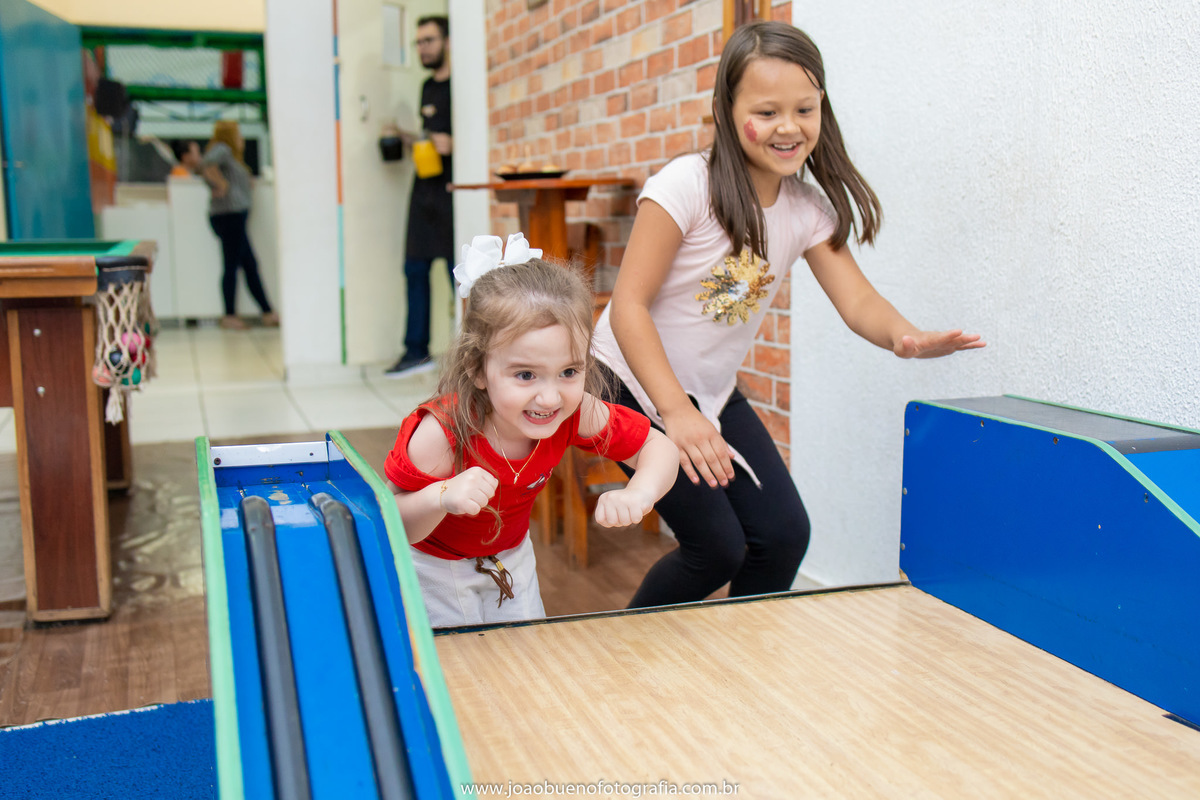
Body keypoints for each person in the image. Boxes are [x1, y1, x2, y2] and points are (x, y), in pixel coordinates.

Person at [592, 21, 986, 609]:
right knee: (717, 549)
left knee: (781, 536)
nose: (788, 127)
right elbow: (627, 306)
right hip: (628, 383)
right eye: (768, 110)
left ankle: (744, 663)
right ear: (728, 111)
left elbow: (858, 301)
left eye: (804, 109)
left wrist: (903, 337)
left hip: (709, 395)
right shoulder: (685, 187)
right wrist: (675, 413)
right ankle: (625, 656)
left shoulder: (805, 209)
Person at [384, 233, 679, 627]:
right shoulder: (441, 433)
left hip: (512, 559)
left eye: (570, 372)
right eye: (525, 375)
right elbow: (390, 523)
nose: (549, 397)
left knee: (524, 660)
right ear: (477, 369)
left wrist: (641, 492)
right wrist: (440, 497)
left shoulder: (572, 412)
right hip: (432, 570)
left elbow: (658, 448)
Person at [385, 14, 455, 377]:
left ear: (447, 41)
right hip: (423, 189)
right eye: (418, 42)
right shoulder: (426, 86)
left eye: (428, 40)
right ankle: (416, 351)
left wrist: (453, 144)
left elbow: (476, 141)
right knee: (414, 268)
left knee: (461, 276)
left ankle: (469, 354)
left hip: (452, 193)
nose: (422, 48)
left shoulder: (461, 87)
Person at [199, 120, 278, 330]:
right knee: (233, 266)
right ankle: (231, 315)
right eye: (238, 133)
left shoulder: (230, 157)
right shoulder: (222, 149)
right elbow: (206, 163)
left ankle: (267, 312)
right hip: (229, 216)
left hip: (234, 216)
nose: (241, 138)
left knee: (249, 264)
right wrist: (221, 184)